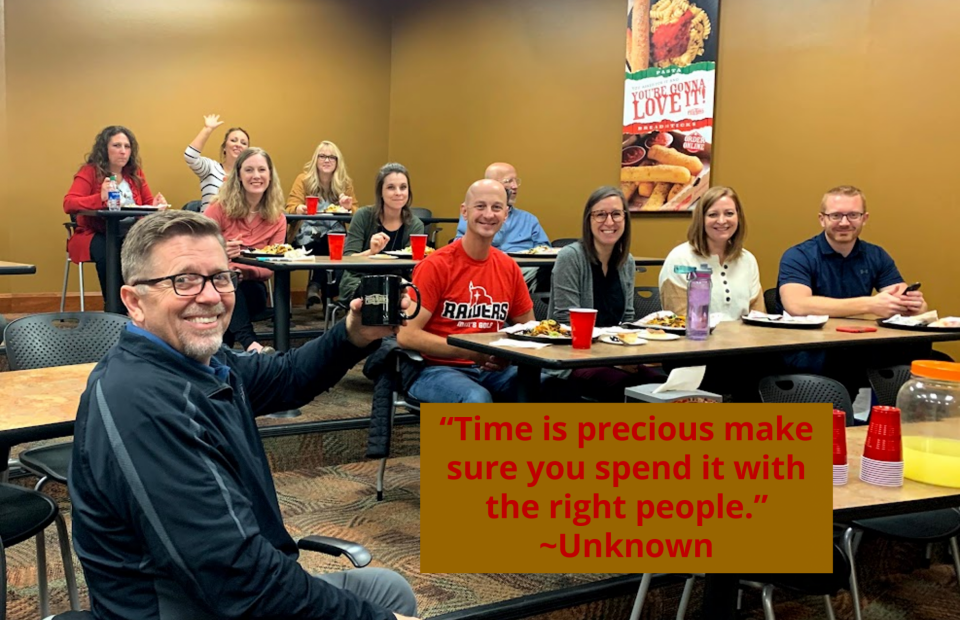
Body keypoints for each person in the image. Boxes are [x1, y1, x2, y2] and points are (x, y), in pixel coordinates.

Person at [68, 209, 419, 620]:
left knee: (386, 590)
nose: (211, 296)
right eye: (183, 281)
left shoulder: (204, 363)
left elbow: (287, 376)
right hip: (190, 607)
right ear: (134, 302)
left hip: (233, 584)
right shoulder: (142, 403)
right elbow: (240, 581)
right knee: (384, 606)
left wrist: (353, 333)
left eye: (220, 277)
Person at [777, 185, 928, 392]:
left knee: (925, 359)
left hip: (860, 346)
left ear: (864, 218)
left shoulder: (876, 255)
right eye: (836, 215)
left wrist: (913, 305)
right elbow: (797, 304)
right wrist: (870, 304)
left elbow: (900, 294)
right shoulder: (798, 256)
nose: (845, 223)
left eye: (853, 215)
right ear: (822, 219)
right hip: (812, 351)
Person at [398, 179, 534, 403]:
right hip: (436, 370)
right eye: (480, 206)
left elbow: (528, 330)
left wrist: (507, 356)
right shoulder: (436, 265)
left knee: (550, 387)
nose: (489, 214)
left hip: (493, 370)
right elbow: (407, 335)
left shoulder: (509, 267)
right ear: (464, 211)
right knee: (477, 400)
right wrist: (470, 353)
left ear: (506, 214)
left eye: (496, 207)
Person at [547, 186, 662, 401]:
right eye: (600, 214)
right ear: (588, 220)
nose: (609, 222)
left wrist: (626, 356)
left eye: (616, 214)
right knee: (628, 387)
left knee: (663, 386)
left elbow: (627, 319)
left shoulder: (626, 261)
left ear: (625, 219)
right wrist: (613, 359)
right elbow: (565, 322)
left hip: (614, 355)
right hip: (573, 361)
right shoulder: (570, 257)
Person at [64, 125, 167, 302]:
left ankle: (146, 304)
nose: (123, 152)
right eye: (117, 146)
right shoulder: (90, 172)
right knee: (110, 250)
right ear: (105, 149)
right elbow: (69, 203)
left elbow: (148, 204)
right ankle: (114, 307)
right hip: (95, 232)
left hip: (131, 232)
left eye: (127, 147)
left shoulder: (134, 173)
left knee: (153, 248)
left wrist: (156, 205)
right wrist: (99, 197)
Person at [204, 147, 286, 354]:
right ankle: (250, 344)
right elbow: (197, 248)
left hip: (252, 287)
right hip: (213, 283)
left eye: (261, 170)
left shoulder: (277, 217)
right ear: (239, 175)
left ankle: (224, 353)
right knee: (227, 285)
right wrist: (221, 251)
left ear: (270, 175)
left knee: (232, 295)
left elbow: (271, 268)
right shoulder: (219, 208)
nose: (256, 176)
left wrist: (245, 271)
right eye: (249, 170)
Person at [659, 186, 764, 321]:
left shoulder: (747, 260)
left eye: (729, 213)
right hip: (695, 340)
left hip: (745, 341)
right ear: (701, 219)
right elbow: (679, 319)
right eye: (713, 214)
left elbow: (759, 317)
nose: (721, 221)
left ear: (738, 217)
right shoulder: (680, 259)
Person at [454, 162, 550, 290]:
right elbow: (459, 247)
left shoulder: (529, 219)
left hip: (525, 276)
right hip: (482, 273)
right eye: (508, 181)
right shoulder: (475, 215)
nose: (515, 186)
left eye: (516, 181)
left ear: (505, 214)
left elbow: (545, 251)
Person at [286, 141, 359, 308]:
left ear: (338, 162)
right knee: (328, 242)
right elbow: (289, 206)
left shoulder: (344, 183)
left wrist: (349, 207)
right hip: (307, 233)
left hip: (335, 233)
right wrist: (299, 208)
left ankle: (315, 284)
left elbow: (357, 212)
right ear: (316, 160)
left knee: (339, 244)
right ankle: (329, 295)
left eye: (332, 157)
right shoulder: (303, 180)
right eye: (323, 156)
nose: (327, 160)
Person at [339, 163, 425, 302]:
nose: (398, 192)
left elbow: (412, 269)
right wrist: (371, 252)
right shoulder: (363, 216)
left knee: (406, 296)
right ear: (381, 192)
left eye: (403, 187)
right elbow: (347, 260)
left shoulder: (415, 225)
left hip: (398, 283)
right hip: (360, 280)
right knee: (379, 297)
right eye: (391, 187)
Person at [183, 114, 250, 210]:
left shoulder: (249, 176)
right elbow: (190, 156)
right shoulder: (211, 168)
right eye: (233, 140)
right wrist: (207, 129)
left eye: (243, 143)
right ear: (224, 148)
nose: (238, 145)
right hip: (209, 224)